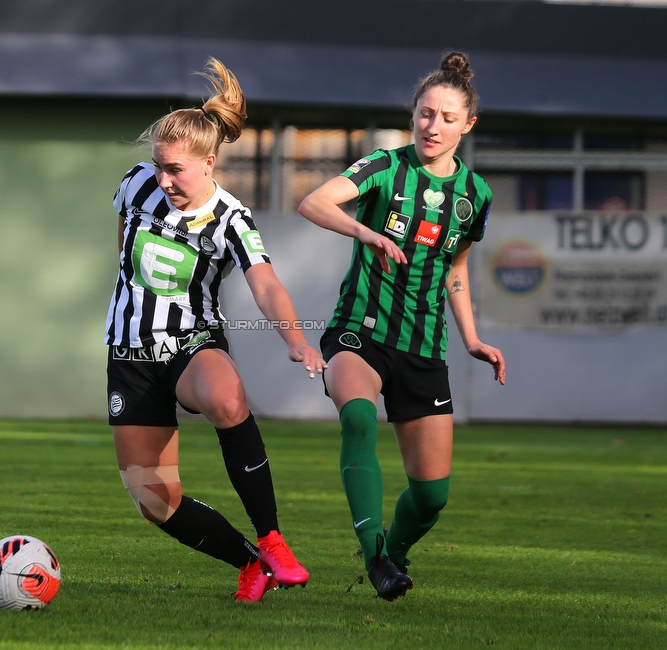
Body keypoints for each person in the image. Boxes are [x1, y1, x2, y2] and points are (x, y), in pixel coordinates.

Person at [105, 57, 326, 603]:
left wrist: (295, 340)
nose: (163, 178)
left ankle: (272, 539)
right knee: (155, 504)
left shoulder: (232, 218)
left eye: (175, 169)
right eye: (158, 165)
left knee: (226, 399)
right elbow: (123, 252)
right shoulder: (136, 185)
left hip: (191, 344)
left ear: (208, 163)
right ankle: (250, 563)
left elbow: (266, 285)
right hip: (128, 356)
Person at [298, 51, 506, 601]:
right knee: (359, 420)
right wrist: (365, 233)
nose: (433, 125)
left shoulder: (475, 195)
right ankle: (373, 559)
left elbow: (455, 266)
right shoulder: (384, 167)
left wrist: (472, 338)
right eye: (424, 113)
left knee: (432, 496)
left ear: (467, 125)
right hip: (359, 331)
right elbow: (314, 202)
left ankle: (395, 552)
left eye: (445, 117)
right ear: (413, 115)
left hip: (423, 345)